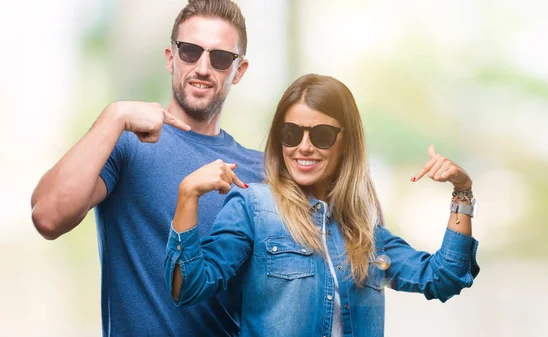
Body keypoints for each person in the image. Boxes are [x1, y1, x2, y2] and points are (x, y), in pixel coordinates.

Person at [165, 74, 480, 336]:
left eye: (322, 135)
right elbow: (188, 288)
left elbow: (443, 278)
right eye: (291, 133)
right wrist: (187, 195)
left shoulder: (364, 233)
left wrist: (462, 192)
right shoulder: (253, 208)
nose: (304, 147)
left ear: (346, 143)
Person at [30, 0, 262, 335]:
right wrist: (114, 115)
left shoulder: (259, 172)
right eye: (190, 51)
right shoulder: (125, 141)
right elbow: (48, 216)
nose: (202, 67)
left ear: (239, 71)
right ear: (171, 58)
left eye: (221, 57)